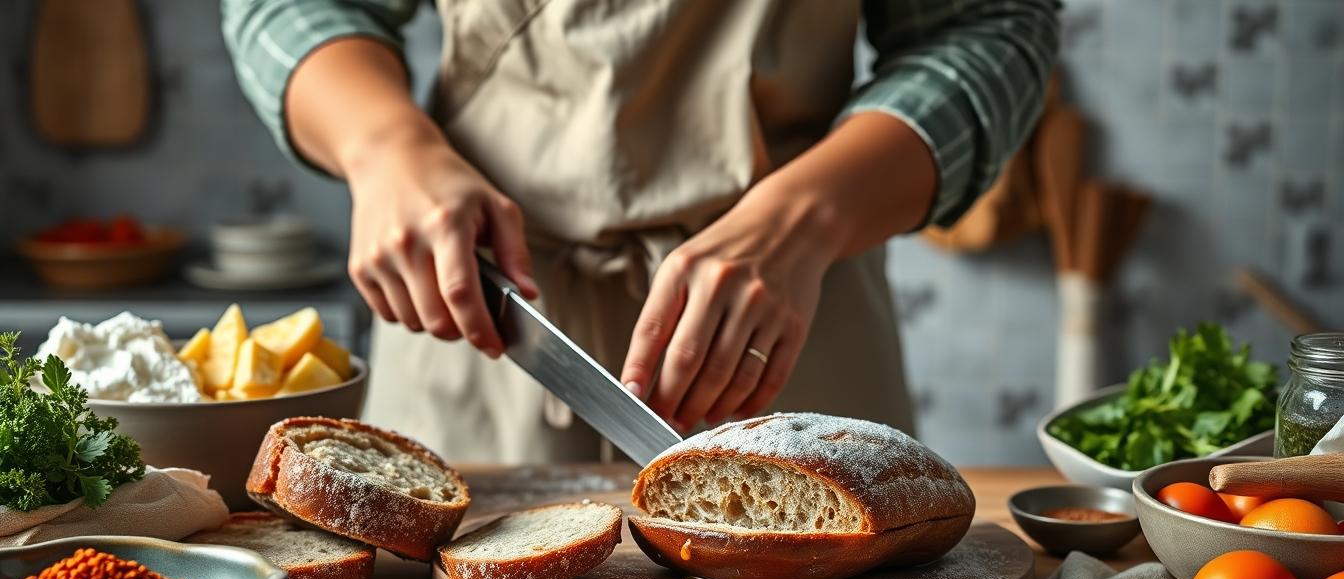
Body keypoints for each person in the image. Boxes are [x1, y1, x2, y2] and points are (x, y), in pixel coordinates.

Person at [223, 0, 1059, 462]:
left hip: (788, 335)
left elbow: (989, 28)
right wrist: (383, 148)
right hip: (478, 318)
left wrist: (805, 219)